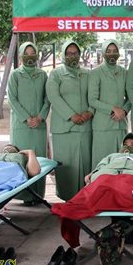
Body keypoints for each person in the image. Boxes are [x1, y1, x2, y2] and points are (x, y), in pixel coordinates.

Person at [46, 40, 93, 201]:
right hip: (64, 128)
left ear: (80, 55)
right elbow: (53, 96)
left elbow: (94, 95)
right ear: (63, 55)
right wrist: (71, 115)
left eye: (75, 53)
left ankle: (84, 198)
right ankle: (67, 198)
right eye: (69, 53)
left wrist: (89, 112)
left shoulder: (88, 74)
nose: (72, 56)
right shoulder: (56, 74)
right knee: (67, 165)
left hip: (85, 126)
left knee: (85, 162)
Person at [7, 41, 50, 205]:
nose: (30, 56)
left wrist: (40, 117)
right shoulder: (15, 75)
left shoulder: (42, 75)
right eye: (27, 53)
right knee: (22, 159)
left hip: (39, 125)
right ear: (21, 56)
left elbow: (47, 99)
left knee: (39, 158)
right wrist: (26, 117)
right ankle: (24, 196)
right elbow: (12, 99)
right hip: (21, 126)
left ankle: (38, 195)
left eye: (33, 53)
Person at [88, 40, 131, 168]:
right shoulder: (96, 73)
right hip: (103, 126)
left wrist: (124, 111)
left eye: (115, 51)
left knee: (121, 164)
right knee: (103, 165)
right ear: (103, 53)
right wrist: (113, 109)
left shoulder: (124, 72)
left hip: (120, 125)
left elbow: (130, 97)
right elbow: (92, 100)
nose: (112, 54)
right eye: (108, 51)